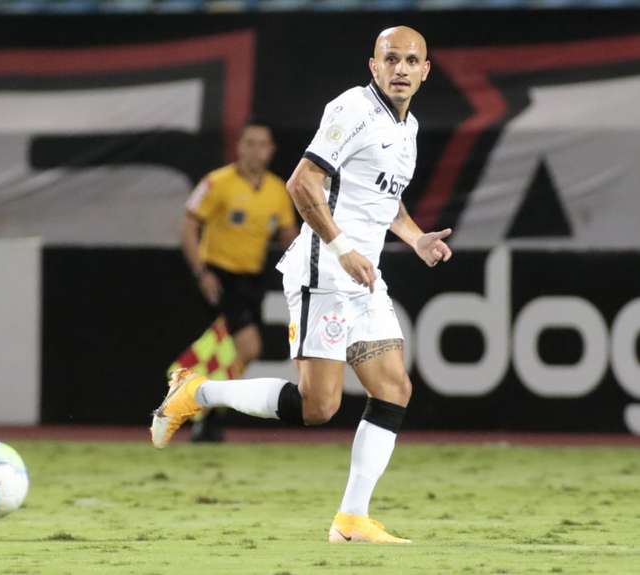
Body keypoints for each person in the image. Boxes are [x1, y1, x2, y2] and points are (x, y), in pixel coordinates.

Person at [152, 26, 452, 544]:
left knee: (394, 388)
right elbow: (301, 182)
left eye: (411, 60)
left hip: (363, 275)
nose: (401, 69)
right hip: (325, 270)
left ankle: (352, 520)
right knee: (319, 408)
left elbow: (386, 198)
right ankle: (196, 391)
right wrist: (342, 249)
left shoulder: (409, 127)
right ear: (373, 65)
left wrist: (415, 236)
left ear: (426, 70)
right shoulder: (353, 110)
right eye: (391, 59)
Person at [180, 120, 298, 441]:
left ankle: (203, 411)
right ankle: (204, 408)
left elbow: (290, 235)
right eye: (249, 143)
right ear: (239, 147)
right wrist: (201, 272)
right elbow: (189, 227)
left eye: (262, 144)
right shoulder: (217, 183)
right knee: (248, 346)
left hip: (252, 279)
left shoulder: (277, 190)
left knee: (236, 352)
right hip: (219, 275)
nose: (255, 150)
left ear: (271, 151)